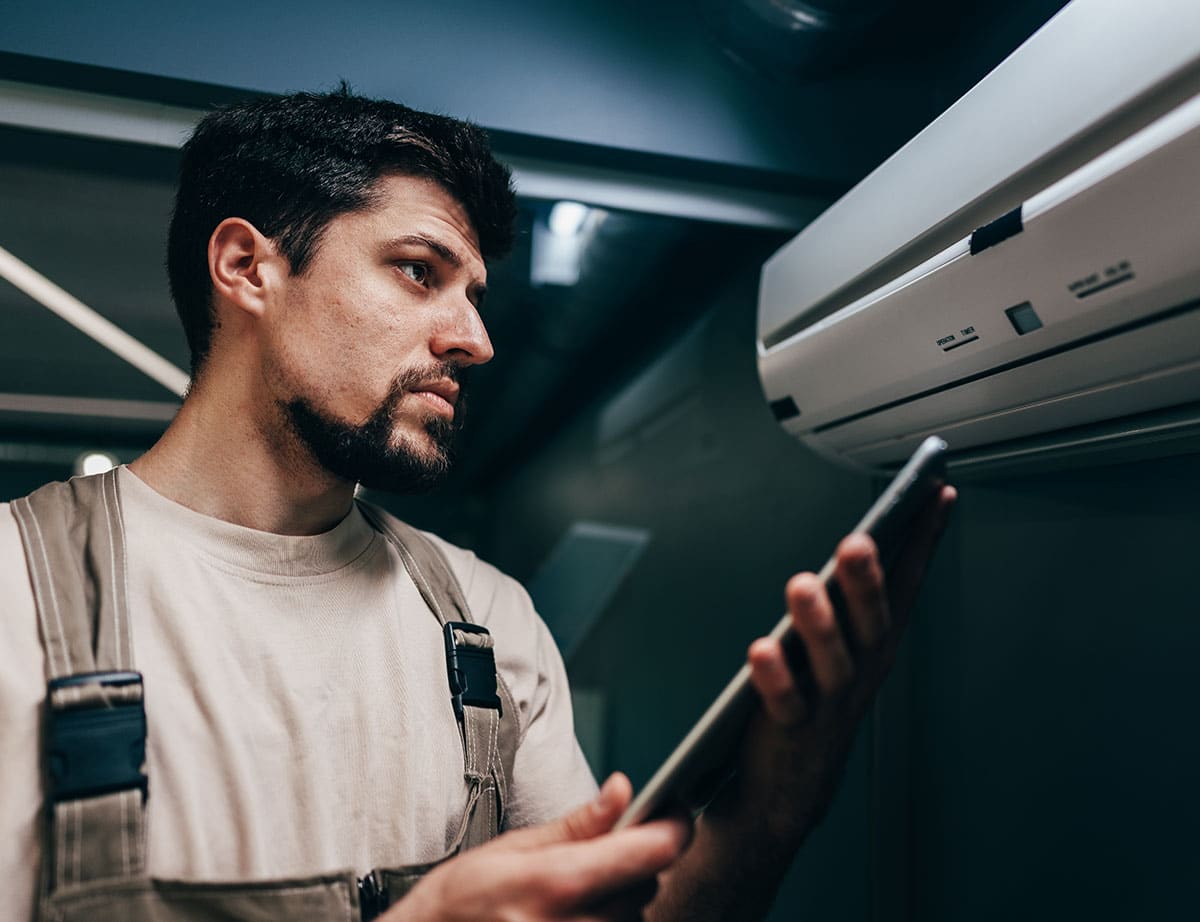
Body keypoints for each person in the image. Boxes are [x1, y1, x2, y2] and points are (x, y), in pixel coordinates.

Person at [0, 89, 954, 921]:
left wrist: (777, 801)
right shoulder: (17, 593)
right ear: (249, 267)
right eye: (420, 271)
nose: (475, 339)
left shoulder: (486, 621)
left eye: (474, 292)